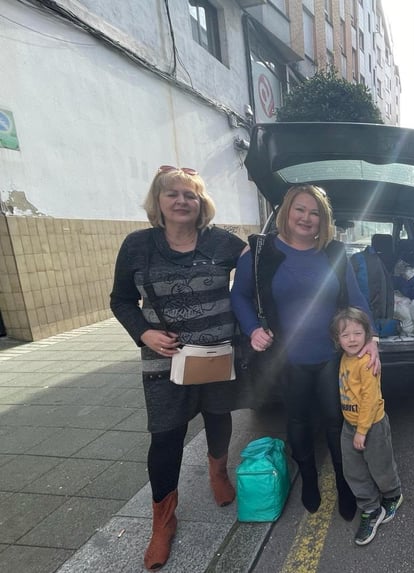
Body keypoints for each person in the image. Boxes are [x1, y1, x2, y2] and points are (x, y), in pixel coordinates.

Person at [110, 165, 246, 570]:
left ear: (202, 203)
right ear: (158, 201)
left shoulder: (222, 242)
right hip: (165, 362)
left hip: (217, 355)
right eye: (173, 193)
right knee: (166, 437)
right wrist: (144, 333)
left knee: (218, 416)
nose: (182, 201)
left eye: (191, 195)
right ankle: (163, 522)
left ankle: (218, 472)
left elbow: (261, 267)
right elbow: (120, 299)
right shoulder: (137, 246)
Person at [230, 184, 380, 522]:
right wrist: (252, 329)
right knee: (297, 419)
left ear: (323, 220)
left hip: (330, 355)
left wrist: (371, 338)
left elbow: (356, 298)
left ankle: (344, 482)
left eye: (315, 213)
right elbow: (239, 295)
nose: (307, 217)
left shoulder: (334, 252)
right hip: (287, 357)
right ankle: (309, 479)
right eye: (300, 209)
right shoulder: (261, 251)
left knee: (336, 421)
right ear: (287, 211)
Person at [331, 307, 403, 546]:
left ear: (367, 335)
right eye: (345, 335)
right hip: (350, 424)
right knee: (353, 470)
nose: (352, 339)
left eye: (357, 333)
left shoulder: (367, 363)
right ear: (338, 339)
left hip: (372, 425)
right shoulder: (346, 357)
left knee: (380, 466)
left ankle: (392, 495)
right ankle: (371, 508)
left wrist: (362, 431)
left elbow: (370, 400)